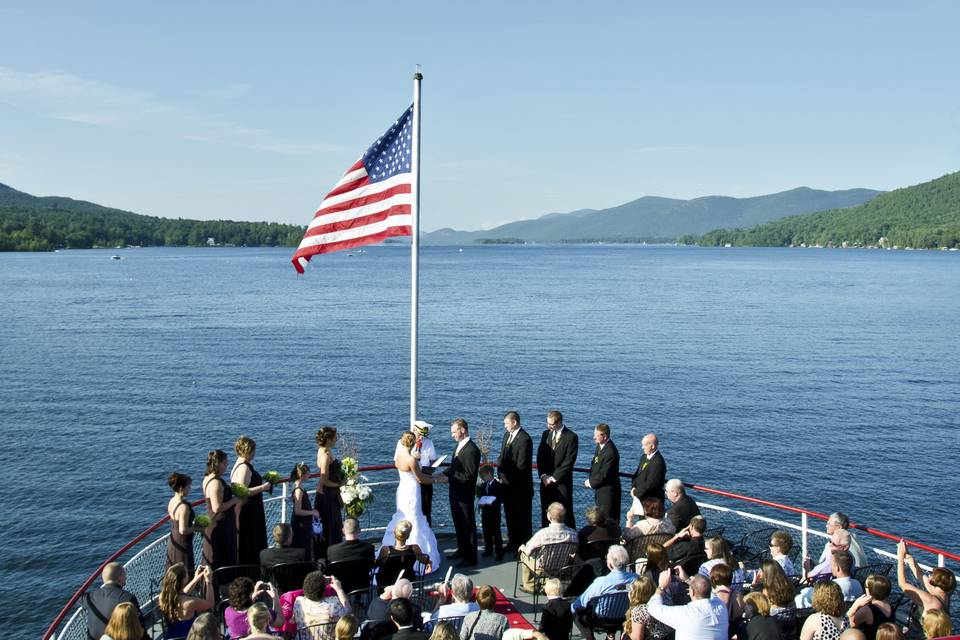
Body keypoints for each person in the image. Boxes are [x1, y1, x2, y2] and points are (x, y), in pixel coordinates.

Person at [380, 431, 445, 572]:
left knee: (401, 516)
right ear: (413, 443)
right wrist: (438, 479)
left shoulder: (399, 456)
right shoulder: (411, 460)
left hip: (402, 489)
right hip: (412, 491)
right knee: (414, 518)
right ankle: (416, 556)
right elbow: (420, 478)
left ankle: (397, 544)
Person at [571, 545, 638, 640]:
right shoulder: (637, 579)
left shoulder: (601, 582)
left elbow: (581, 602)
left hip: (601, 619)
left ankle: (590, 638)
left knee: (575, 608)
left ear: (610, 564)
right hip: (625, 618)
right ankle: (611, 633)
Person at [441, 418, 481, 567]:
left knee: (468, 525)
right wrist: (442, 474)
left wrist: (448, 478)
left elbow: (469, 476)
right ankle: (462, 549)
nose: (452, 435)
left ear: (462, 430)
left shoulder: (471, 450)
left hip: (464, 495)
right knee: (459, 523)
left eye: (454, 432)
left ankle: (470, 557)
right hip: (456, 493)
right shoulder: (459, 447)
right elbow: (454, 467)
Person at [646, 571, 728, 640]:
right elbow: (707, 590)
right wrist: (688, 580)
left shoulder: (685, 614)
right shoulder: (721, 606)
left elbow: (652, 607)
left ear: (691, 592)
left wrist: (661, 586)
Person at [518, 502, 578, 592]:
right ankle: (549, 582)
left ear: (549, 517)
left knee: (523, 554)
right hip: (562, 566)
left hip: (542, 568)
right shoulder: (573, 534)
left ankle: (530, 586)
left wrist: (522, 547)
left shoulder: (543, 534)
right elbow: (573, 551)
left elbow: (528, 551)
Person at [232, 435, 273, 566]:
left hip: (249, 509)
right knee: (251, 542)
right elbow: (242, 491)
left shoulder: (238, 464)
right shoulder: (244, 467)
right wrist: (263, 487)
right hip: (249, 511)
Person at [498, 410, 533, 554]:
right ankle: (513, 543)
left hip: (520, 487)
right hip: (507, 486)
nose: (505, 426)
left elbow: (522, 464)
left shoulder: (525, 439)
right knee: (510, 515)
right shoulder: (507, 436)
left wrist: (509, 478)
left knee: (522, 518)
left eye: (506, 423)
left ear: (514, 422)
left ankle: (524, 547)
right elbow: (502, 456)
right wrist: (500, 472)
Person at [537, 410, 579, 528]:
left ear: (559, 422)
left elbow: (569, 461)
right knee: (546, 512)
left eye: (551, 424)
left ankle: (571, 541)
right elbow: (540, 456)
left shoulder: (571, 437)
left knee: (565, 512)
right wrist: (543, 475)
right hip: (545, 482)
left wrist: (553, 477)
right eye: (547, 423)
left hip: (561, 483)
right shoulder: (546, 434)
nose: (548, 426)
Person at [202, 449, 242, 570]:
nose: (227, 466)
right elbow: (217, 507)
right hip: (220, 526)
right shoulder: (216, 483)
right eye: (225, 463)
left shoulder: (207, 479)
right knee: (222, 558)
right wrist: (235, 499)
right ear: (218, 464)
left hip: (216, 523)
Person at [82, 562, 144, 640]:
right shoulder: (127, 598)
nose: (126, 577)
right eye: (124, 574)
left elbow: (79, 597)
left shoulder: (90, 597)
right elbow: (139, 625)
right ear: (120, 578)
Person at [158, 563, 215, 639]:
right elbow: (210, 603)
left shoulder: (163, 597)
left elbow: (182, 593)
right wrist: (209, 581)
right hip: (188, 637)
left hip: (170, 637)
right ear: (183, 580)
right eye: (187, 573)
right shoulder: (189, 603)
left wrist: (195, 579)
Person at [896, 540, 955, 614]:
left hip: (924, 625)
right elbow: (920, 575)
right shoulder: (945, 594)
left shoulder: (930, 600)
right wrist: (909, 557)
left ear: (935, 581)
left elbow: (902, 584)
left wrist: (900, 557)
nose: (929, 575)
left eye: (932, 574)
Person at [315, 426, 345, 559]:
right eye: (334, 437)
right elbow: (324, 480)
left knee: (332, 525)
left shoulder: (325, 451)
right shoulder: (325, 456)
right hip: (328, 497)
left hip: (330, 494)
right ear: (328, 439)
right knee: (330, 526)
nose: (336, 440)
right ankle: (330, 556)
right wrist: (340, 484)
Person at [294, 571, 352, 636]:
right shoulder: (333, 604)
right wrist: (339, 589)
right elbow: (348, 613)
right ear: (324, 590)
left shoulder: (298, 602)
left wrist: (320, 582)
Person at [584, 423, 621, 522]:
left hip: (608, 493)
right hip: (600, 490)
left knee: (608, 518)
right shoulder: (600, 447)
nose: (593, 437)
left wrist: (591, 482)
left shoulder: (610, 452)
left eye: (596, 435)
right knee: (601, 517)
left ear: (604, 436)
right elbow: (596, 465)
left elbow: (604, 473)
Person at [797, 551, 863, 607]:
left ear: (837, 568)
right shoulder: (858, 584)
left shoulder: (832, 587)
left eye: (831, 565)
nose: (830, 568)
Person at [166, 472, 197, 580]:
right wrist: (198, 528)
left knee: (174, 572)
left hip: (173, 540)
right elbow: (183, 530)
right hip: (183, 543)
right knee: (185, 571)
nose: (190, 488)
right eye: (188, 486)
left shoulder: (172, 501)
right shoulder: (184, 507)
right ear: (181, 488)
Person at [289, 462, 321, 561]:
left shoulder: (298, 487)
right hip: (301, 525)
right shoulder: (298, 490)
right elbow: (297, 511)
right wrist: (312, 512)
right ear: (302, 475)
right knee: (303, 548)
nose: (309, 475)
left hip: (303, 523)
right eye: (308, 473)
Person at [846, 575, 894, 640]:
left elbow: (847, 625)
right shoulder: (890, 606)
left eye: (865, 586)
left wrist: (855, 605)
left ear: (870, 590)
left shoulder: (867, 610)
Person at [624, 575, 671, 640]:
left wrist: (626, 630)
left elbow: (637, 638)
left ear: (636, 594)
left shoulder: (639, 610)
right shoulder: (665, 599)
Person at [630, 434, 666, 510]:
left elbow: (650, 484)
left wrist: (636, 492)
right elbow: (637, 474)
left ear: (652, 446)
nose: (642, 447)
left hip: (651, 503)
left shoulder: (658, 463)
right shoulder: (644, 457)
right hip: (641, 498)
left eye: (645, 445)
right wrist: (633, 486)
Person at [413, 420, 439, 526]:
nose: (421, 437)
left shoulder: (429, 442)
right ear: (414, 431)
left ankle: (427, 531)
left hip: (426, 477)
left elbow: (433, 459)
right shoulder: (407, 443)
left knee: (426, 509)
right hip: (413, 478)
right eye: (420, 433)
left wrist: (432, 468)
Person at [477, 463, 504, 560]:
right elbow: (483, 496)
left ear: (489, 474)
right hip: (486, 513)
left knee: (496, 533)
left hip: (494, 513)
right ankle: (488, 549)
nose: (482, 478)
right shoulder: (484, 486)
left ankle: (499, 553)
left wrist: (491, 502)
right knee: (486, 532)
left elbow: (500, 499)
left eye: (483, 476)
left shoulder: (498, 485)